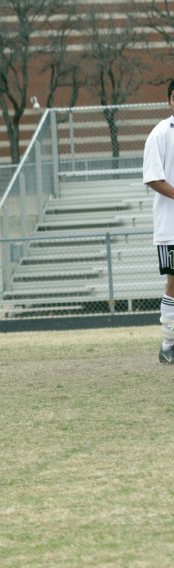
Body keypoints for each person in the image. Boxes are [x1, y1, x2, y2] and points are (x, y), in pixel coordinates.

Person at [145, 80, 174, 364]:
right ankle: (168, 344)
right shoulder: (160, 133)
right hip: (171, 227)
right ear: (169, 101)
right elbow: (154, 177)